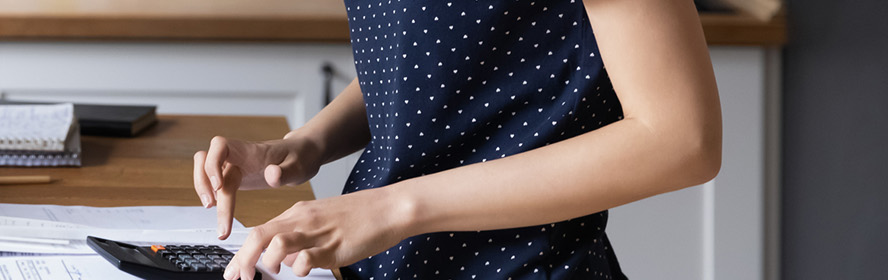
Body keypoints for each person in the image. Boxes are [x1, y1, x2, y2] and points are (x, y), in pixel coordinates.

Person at [193, 0, 721, 279]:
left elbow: (681, 139)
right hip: (384, 265)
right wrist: (308, 142)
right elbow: (435, 52)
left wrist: (389, 209)